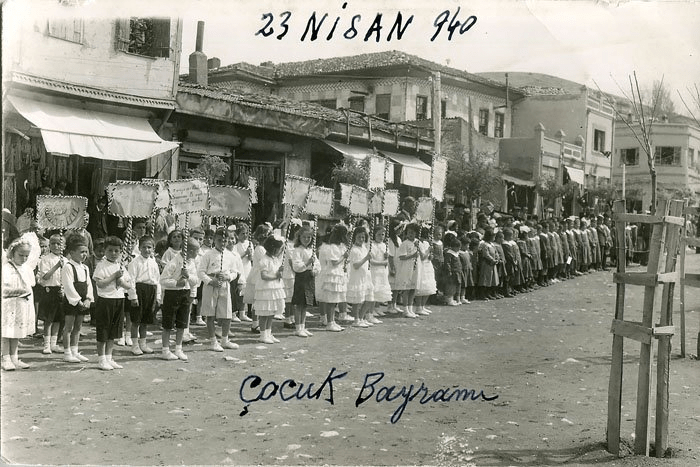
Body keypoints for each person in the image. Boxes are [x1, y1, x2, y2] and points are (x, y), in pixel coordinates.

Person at [198, 227, 243, 351]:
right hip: (211, 285)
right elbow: (200, 272)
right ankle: (213, 341)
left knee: (227, 314)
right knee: (210, 314)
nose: (222, 243)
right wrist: (210, 281)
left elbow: (235, 272)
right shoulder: (208, 254)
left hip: (224, 285)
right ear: (214, 240)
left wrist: (229, 277)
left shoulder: (230, 255)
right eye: (219, 240)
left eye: (225, 240)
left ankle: (224, 340)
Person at [92, 236, 132, 370]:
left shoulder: (120, 266)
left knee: (113, 332)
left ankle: (109, 358)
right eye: (110, 250)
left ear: (121, 252)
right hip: (105, 300)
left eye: (116, 251)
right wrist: (114, 276)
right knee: (103, 331)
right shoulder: (101, 265)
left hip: (118, 299)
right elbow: (100, 284)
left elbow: (129, 285)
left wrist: (122, 282)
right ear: (105, 250)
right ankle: (101, 359)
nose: (113, 253)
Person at [160, 238, 201, 361]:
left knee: (182, 323)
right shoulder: (173, 262)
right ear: (190, 251)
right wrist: (176, 283)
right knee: (168, 324)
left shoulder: (191, 263)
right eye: (196, 251)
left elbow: (196, 281)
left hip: (185, 294)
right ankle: (165, 350)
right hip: (172, 295)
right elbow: (162, 280)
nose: (197, 253)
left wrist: (188, 276)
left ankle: (178, 348)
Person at [2, 238, 36, 370]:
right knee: (7, 331)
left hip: (22, 305)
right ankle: (5, 358)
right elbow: (4, 289)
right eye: (21, 255)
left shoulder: (27, 269)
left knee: (17, 331)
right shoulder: (6, 268)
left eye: (26, 256)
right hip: (9, 305)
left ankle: (14, 357)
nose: (24, 258)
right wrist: (18, 291)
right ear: (12, 253)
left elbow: (31, 284)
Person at [61, 234, 94, 364]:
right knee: (68, 327)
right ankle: (67, 353)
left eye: (86, 252)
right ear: (72, 253)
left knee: (78, 327)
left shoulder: (85, 268)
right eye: (81, 252)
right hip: (72, 301)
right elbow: (68, 286)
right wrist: (78, 301)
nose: (84, 254)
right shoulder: (68, 267)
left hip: (83, 301)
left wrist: (88, 299)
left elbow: (89, 284)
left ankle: (75, 351)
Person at [126, 235, 161, 356]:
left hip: (151, 290)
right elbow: (131, 280)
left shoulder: (154, 263)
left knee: (145, 320)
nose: (147, 250)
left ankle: (143, 344)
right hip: (139, 290)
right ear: (139, 248)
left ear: (153, 249)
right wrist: (133, 296)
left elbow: (157, 280)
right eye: (144, 247)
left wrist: (158, 296)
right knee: (136, 320)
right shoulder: (134, 262)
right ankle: (135, 345)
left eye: (149, 247)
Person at [36, 234, 65, 354]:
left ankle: (54, 344)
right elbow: (45, 277)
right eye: (53, 243)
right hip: (49, 291)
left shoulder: (65, 260)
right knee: (49, 320)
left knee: (58, 319)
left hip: (60, 291)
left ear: (64, 246)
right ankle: (46, 344)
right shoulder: (46, 259)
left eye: (59, 244)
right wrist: (57, 266)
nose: (56, 246)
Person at [317, 223, 349, 332]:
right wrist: (343, 257)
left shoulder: (340, 246)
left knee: (335, 300)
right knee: (331, 300)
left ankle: (333, 321)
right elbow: (334, 262)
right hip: (332, 274)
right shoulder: (332, 247)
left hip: (338, 274)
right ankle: (330, 322)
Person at [255, 235, 286, 344]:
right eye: (279, 249)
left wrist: (279, 271)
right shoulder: (264, 260)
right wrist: (276, 276)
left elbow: (276, 272)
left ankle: (268, 333)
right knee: (265, 313)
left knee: (271, 312)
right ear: (273, 248)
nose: (280, 251)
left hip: (274, 288)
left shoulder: (275, 259)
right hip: (266, 289)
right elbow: (264, 276)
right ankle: (263, 335)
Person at [243, 223, 273, 333]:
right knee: (257, 301)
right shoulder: (260, 249)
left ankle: (259, 322)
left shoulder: (264, 248)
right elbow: (263, 262)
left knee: (261, 300)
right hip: (258, 276)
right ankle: (255, 324)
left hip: (262, 274)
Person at [290, 225, 319, 337]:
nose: (307, 239)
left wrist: (315, 270)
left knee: (305, 304)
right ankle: (298, 327)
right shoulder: (297, 250)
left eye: (309, 237)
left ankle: (303, 326)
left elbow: (317, 264)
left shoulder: (311, 250)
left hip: (309, 278)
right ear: (299, 237)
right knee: (299, 304)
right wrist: (307, 263)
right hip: (301, 277)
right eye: (304, 237)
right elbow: (296, 266)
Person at [346, 226, 374, 328]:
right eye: (359, 237)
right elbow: (356, 265)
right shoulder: (354, 250)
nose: (361, 239)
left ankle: (362, 318)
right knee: (357, 300)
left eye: (363, 237)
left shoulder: (364, 248)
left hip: (365, 276)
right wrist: (366, 258)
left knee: (369, 298)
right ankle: (356, 319)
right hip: (357, 277)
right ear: (354, 237)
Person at [394, 222, 422, 318]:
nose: (411, 234)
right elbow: (402, 257)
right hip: (407, 269)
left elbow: (421, 255)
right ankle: (405, 309)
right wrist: (412, 256)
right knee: (406, 289)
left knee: (413, 289)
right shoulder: (404, 243)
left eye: (413, 233)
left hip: (415, 268)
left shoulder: (417, 242)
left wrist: (420, 249)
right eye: (409, 232)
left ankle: (410, 308)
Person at [369, 224, 391, 319]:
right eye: (378, 234)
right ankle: (371, 309)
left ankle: (377, 307)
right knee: (375, 288)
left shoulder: (384, 245)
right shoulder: (371, 245)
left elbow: (387, 259)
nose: (381, 237)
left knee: (380, 289)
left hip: (382, 271)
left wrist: (386, 257)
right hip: (375, 271)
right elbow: (371, 261)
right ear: (374, 234)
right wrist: (382, 263)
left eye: (383, 234)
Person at [233, 223, 254, 322]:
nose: (245, 235)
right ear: (237, 235)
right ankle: (236, 312)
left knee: (245, 291)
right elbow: (236, 259)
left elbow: (251, 258)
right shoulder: (236, 246)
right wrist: (245, 253)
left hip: (247, 267)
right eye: (242, 233)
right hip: (240, 268)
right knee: (239, 291)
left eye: (246, 233)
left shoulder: (249, 243)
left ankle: (243, 312)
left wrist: (250, 255)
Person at [415, 224, 437, 315]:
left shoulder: (427, 243)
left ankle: (423, 306)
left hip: (428, 266)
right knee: (421, 287)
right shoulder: (418, 243)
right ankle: (418, 307)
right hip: (421, 266)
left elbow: (428, 257)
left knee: (428, 287)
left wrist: (431, 255)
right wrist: (428, 250)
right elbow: (423, 257)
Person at [442, 232, 463, 306]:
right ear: (453, 247)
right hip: (451, 273)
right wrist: (449, 271)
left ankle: (452, 299)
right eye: (458, 247)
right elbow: (447, 263)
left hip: (457, 272)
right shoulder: (449, 253)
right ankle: (449, 299)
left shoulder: (456, 253)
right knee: (450, 286)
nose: (459, 249)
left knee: (455, 286)